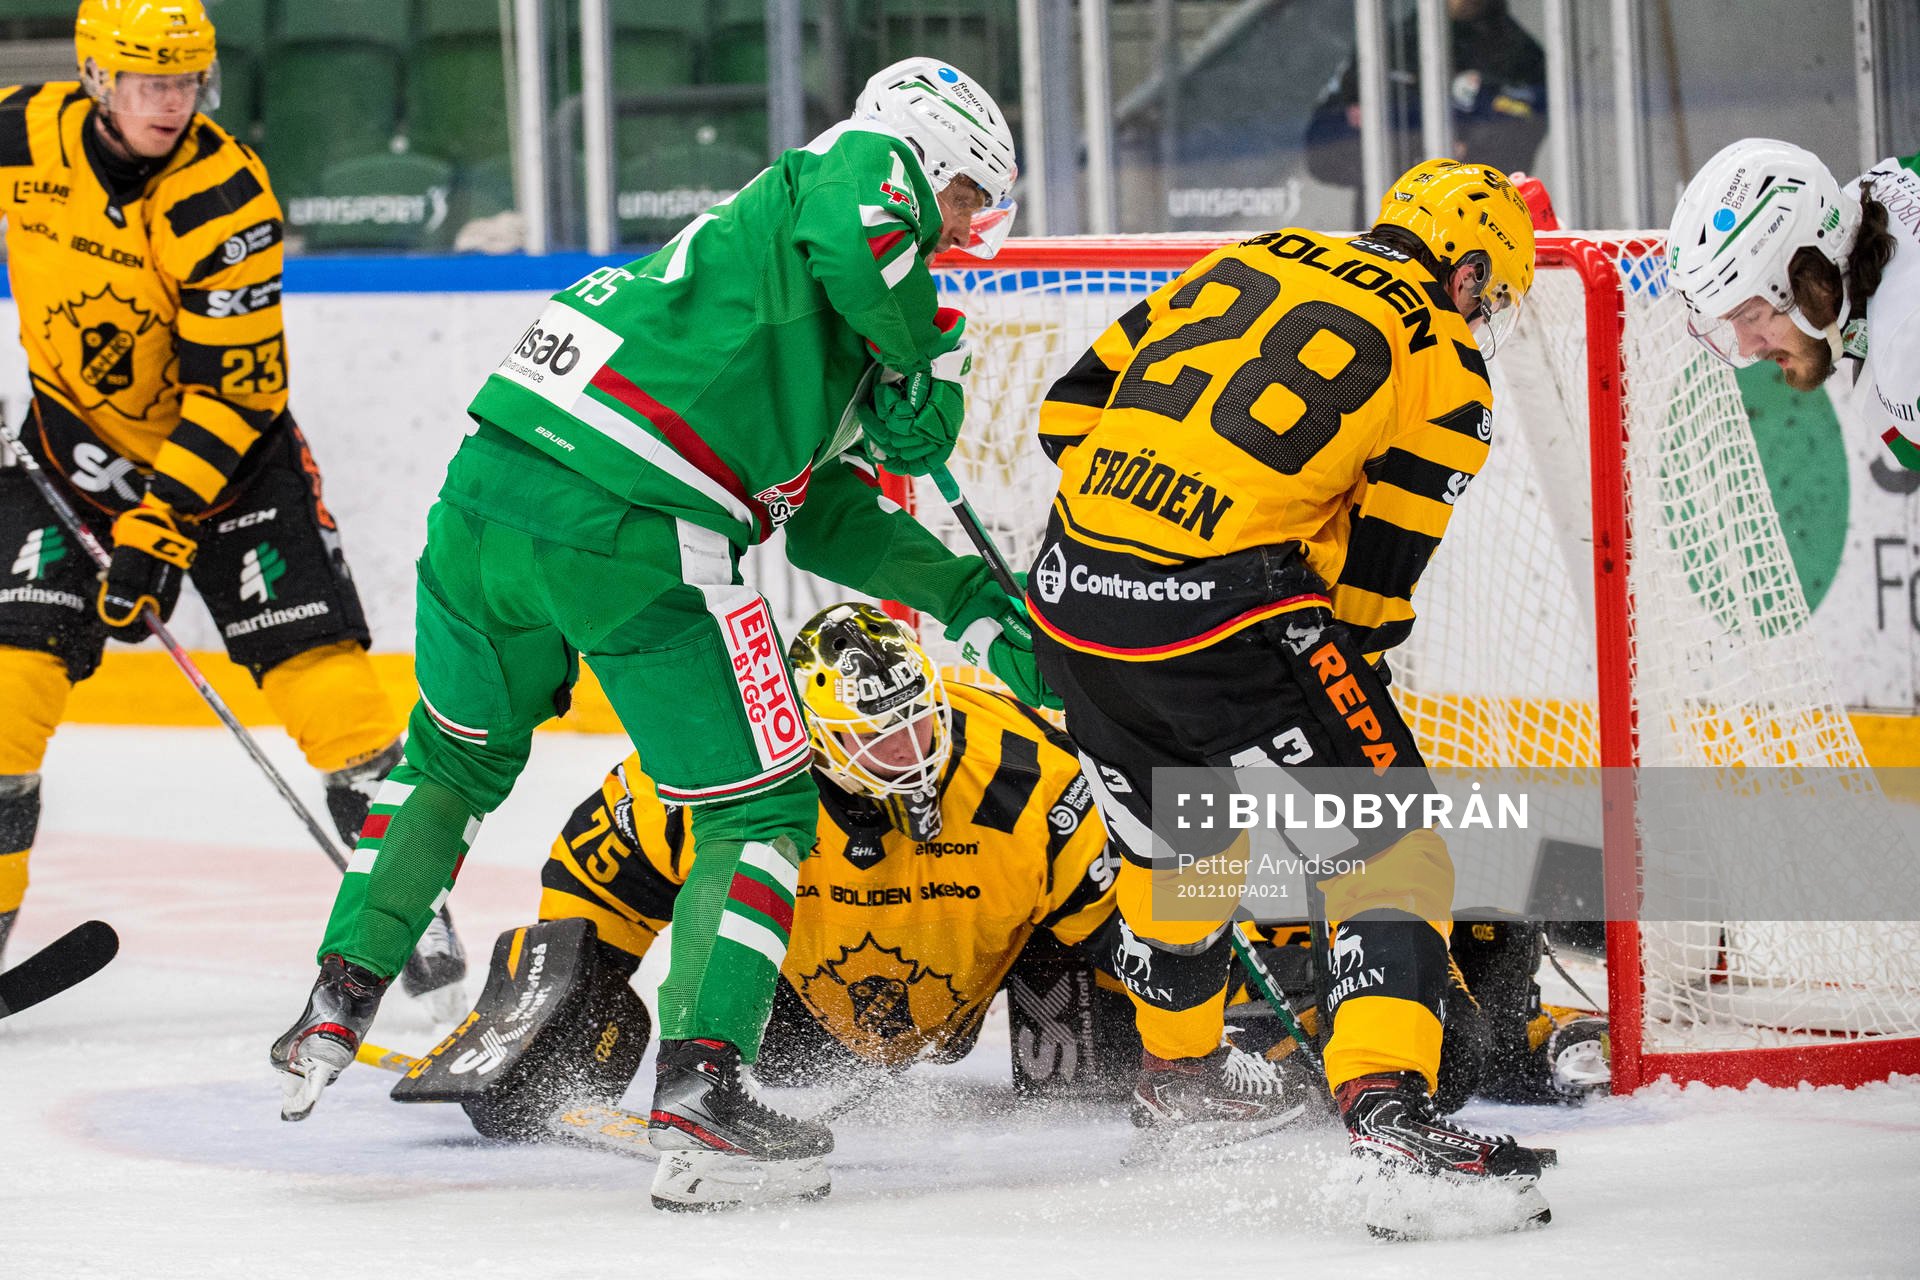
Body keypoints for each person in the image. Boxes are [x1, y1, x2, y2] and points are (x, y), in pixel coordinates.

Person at [268, 59, 1048, 1213]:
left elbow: (822, 507)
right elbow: (855, 201)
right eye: (974, 194)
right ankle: (705, 1086)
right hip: (633, 527)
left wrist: (970, 596)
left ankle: (341, 988)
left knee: (450, 757)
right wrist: (923, 345)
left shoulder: (768, 304)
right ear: (929, 156)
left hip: (486, 503)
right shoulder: (849, 176)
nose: (975, 230)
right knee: (761, 805)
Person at [1024, 157, 1551, 1235]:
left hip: (1072, 594)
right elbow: (1373, 587)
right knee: (1392, 842)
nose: (1484, 309)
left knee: (1186, 842)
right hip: (1224, 610)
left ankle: (1177, 1078)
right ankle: (1391, 1115)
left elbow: (1063, 413)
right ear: (1462, 265)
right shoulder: (1442, 358)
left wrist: (1160, 508)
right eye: (1489, 286)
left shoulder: (1241, 255)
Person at [0, 0, 463, 1004]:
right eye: (149, 81)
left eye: (187, 82)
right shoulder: (23, 134)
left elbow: (237, 393)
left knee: (334, 700)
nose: (172, 103)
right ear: (95, 77)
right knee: (4, 702)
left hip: (234, 471)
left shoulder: (224, 197)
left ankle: (415, 931)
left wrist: (157, 533)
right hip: (69, 453)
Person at [1666, 138, 1912, 466]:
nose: (1746, 347)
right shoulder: (1880, 188)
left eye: (1751, 316)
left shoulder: (1906, 353)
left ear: (1814, 278)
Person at [1304, 0, 1546, 227]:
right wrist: (1414, 146)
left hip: (1471, 242)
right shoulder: (1387, 43)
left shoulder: (1522, 58)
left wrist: (1392, 136)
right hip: (1382, 238)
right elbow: (1321, 151)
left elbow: (1505, 164)